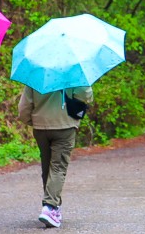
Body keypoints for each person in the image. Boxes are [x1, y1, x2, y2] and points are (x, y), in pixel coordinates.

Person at [18, 86, 93, 229]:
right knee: (58, 167)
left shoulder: (36, 71)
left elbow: (23, 107)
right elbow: (85, 94)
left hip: (40, 127)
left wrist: (33, 121)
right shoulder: (73, 70)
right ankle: (50, 207)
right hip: (65, 125)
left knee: (47, 166)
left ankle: (54, 206)